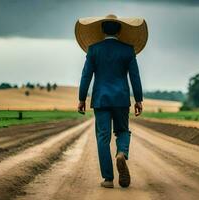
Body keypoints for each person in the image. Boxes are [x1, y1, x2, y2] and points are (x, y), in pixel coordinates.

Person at [75, 14, 148, 188]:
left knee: (103, 137)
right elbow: (135, 77)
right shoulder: (128, 50)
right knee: (123, 131)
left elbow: (86, 76)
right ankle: (121, 153)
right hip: (121, 99)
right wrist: (138, 100)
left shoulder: (94, 50)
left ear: (101, 30)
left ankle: (108, 179)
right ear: (120, 31)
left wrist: (81, 98)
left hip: (101, 99)